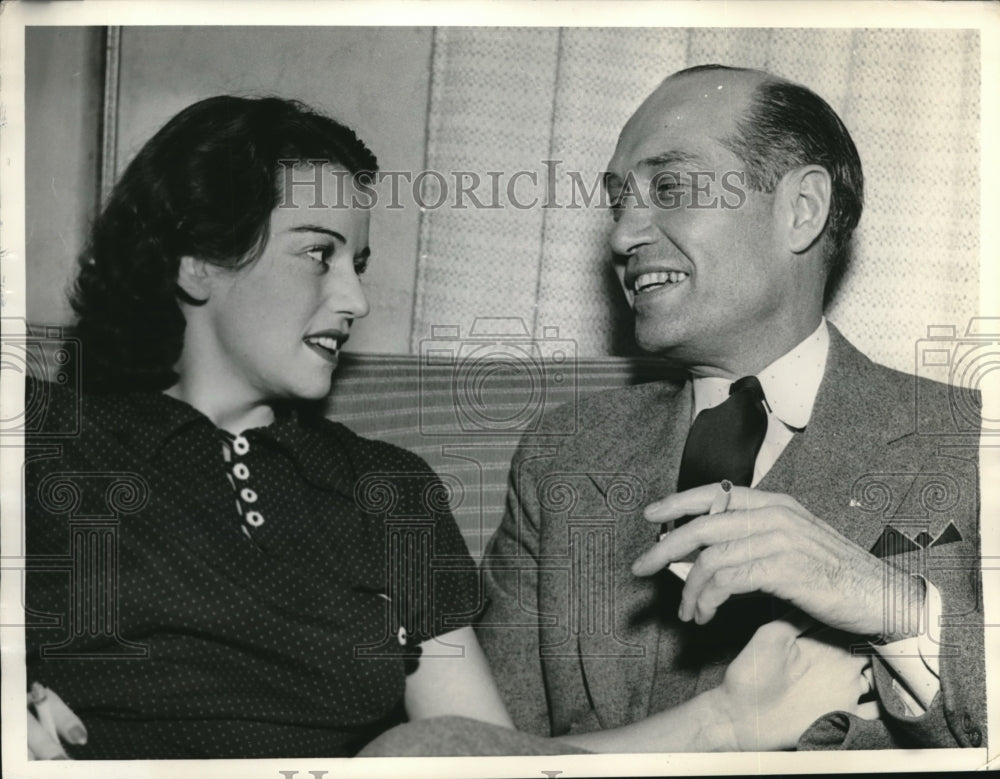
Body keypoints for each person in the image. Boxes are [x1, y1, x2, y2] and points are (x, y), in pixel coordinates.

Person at [23, 93, 873, 760]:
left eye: (358, 265)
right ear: (198, 260)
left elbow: (476, 758)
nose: (354, 300)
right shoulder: (40, 436)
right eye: (317, 253)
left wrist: (725, 721)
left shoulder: (383, 489)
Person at [477, 65, 985, 750]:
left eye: (670, 187)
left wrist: (882, 601)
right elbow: (478, 749)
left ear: (801, 209)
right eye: (618, 201)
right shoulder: (561, 453)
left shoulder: (968, 444)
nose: (623, 236)